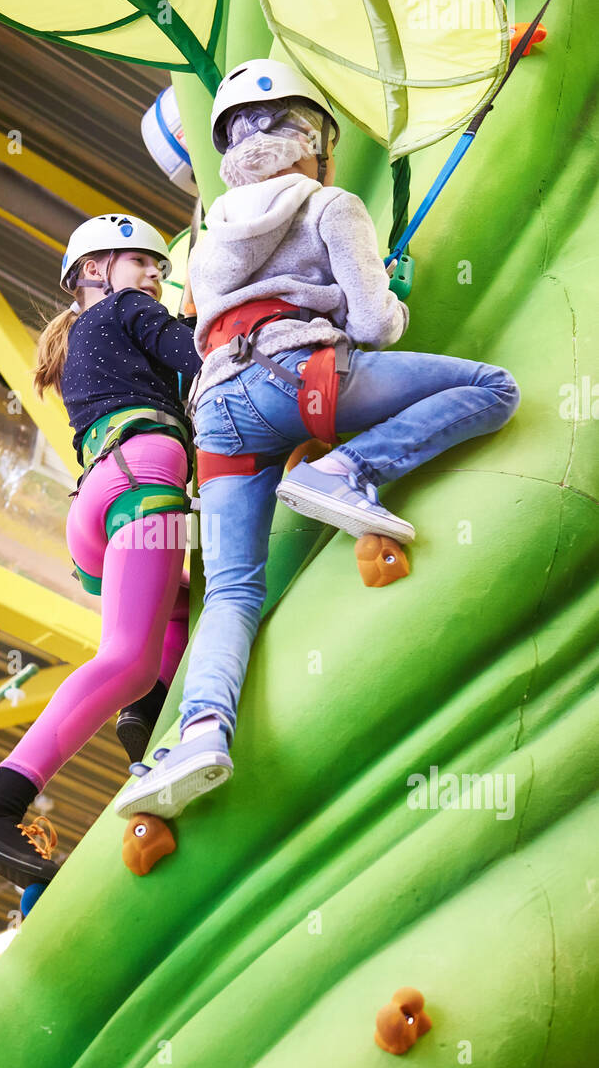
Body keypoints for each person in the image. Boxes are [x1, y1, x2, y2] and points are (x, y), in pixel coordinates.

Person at [115, 58, 520, 820]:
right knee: (493, 388)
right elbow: (371, 326)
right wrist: (383, 295)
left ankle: (202, 730)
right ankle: (348, 470)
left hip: (219, 411)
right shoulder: (331, 203)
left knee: (232, 589)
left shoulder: (206, 241)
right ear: (315, 139)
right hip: (301, 379)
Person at [0, 214, 201, 885]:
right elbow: (209, 357)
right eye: (141, 262)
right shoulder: (126, 309)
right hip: (144, 477)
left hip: (97, 503)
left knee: (174, 610)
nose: (154, 275)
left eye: (159, 267)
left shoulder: (83, 340)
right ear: (94, 270)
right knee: (126, 657)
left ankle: (145, 719)